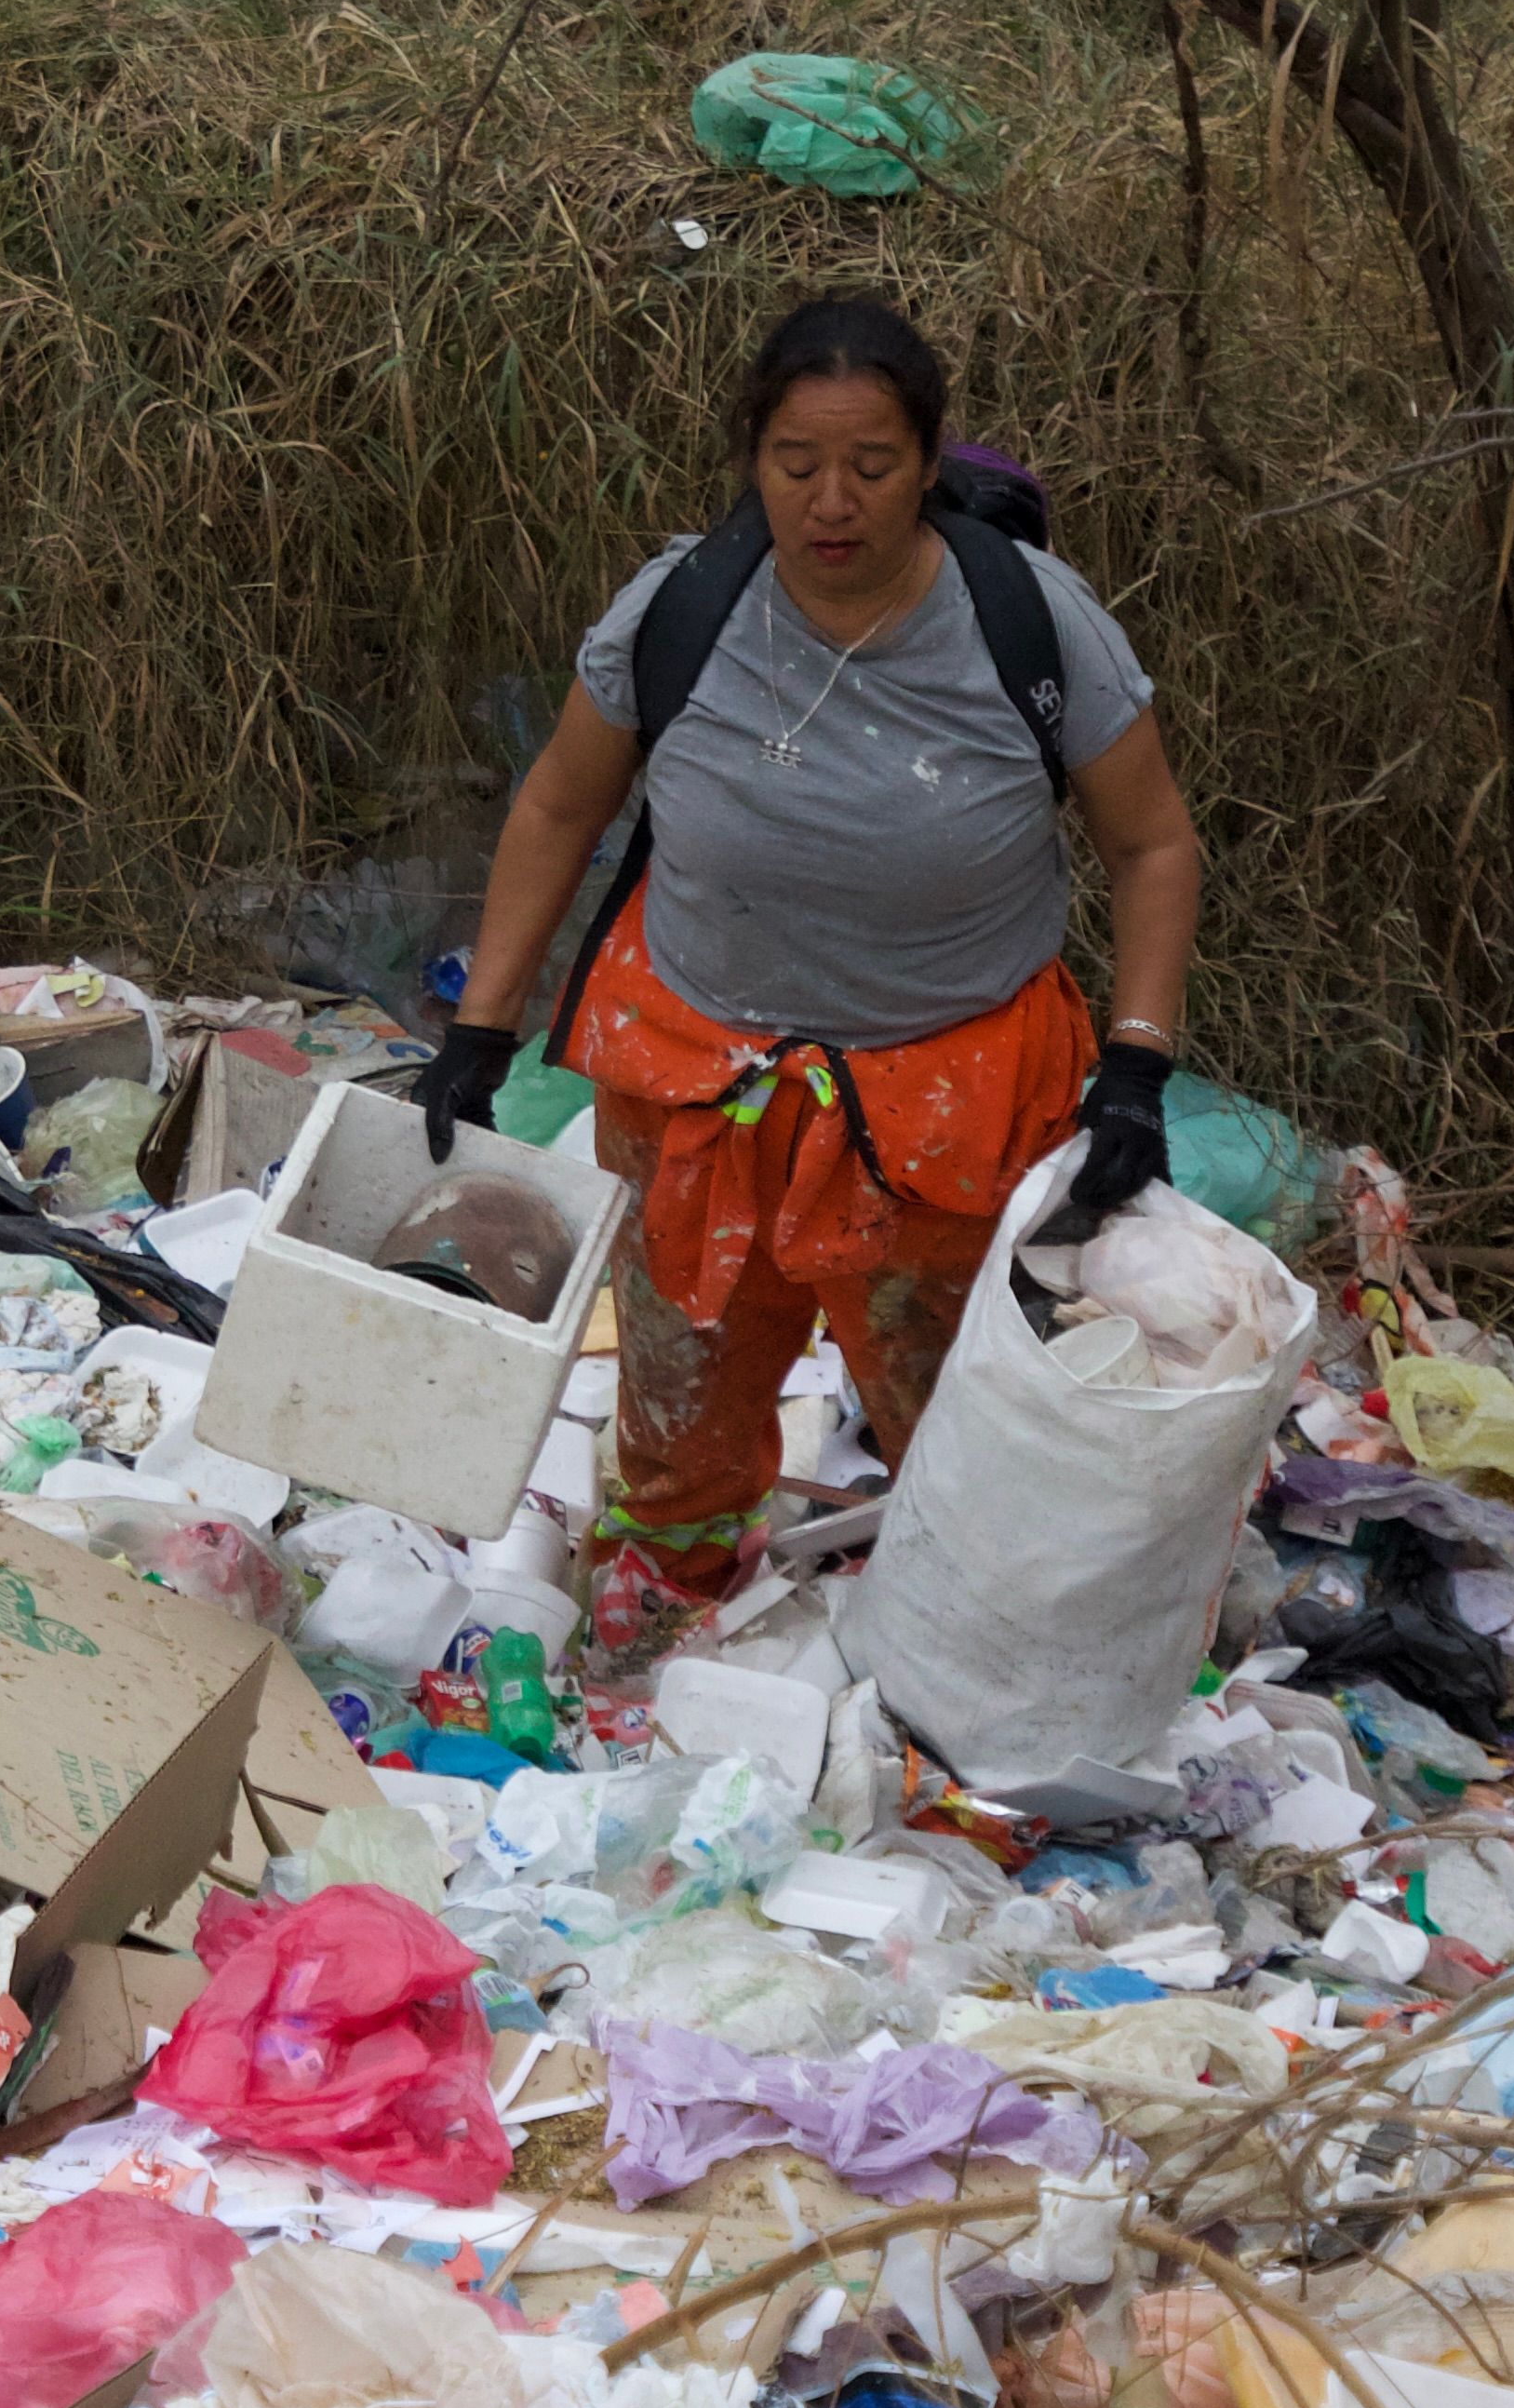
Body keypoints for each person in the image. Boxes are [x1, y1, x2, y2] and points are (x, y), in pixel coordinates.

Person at [415, 292, 1204, 1599]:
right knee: (681, 1391)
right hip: (697, 1092)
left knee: (957, 1412)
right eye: (796, 464)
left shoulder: (1031, 624)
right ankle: (669, 1596)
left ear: (931, 465)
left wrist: (1136, 1063)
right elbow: (561, 801)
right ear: (751, 463)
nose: (832, 500)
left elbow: (1153, 843)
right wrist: (478, 1034)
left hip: (944, 1106)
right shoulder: (682, 611)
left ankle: (971, 1628)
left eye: (872, 466)